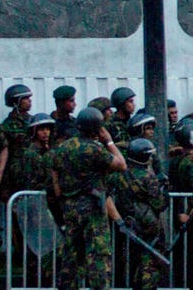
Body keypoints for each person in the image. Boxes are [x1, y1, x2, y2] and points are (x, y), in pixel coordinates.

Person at [50, 107, 127, 290]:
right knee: (98, 255)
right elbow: (121, 164)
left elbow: (55, 177)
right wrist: (109, 142)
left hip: (70, 207)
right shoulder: (94, 150)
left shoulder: (62, 148)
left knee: (72, 254)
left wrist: (63, 198)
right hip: (92, 208)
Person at [108, 138, 168, 290]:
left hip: (128, 226)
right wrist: (165, 189)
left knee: (129, 265)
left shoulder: (119, 174)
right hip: (148, 228)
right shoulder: (148, 178)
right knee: (149, 268)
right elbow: (159, 204)